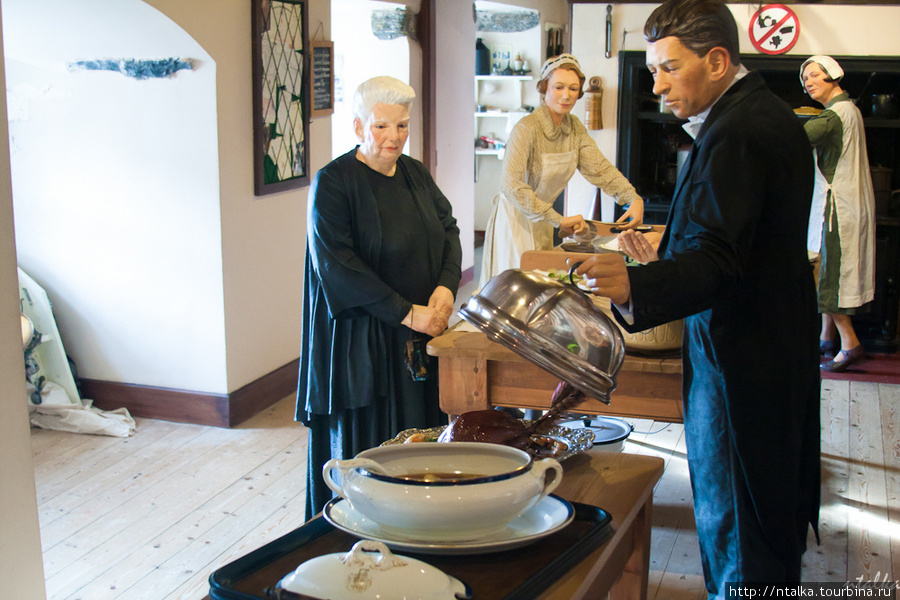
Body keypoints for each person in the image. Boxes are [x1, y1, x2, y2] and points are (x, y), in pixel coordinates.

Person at [573, 0, 820, 593]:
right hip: (768, 346)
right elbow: (741, 242)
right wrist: (664, 261)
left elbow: (720, 261)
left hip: (742, 360)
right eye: (653, 69)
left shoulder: (736, 132)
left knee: (739, 523)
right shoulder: (763, 114)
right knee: (764, 516)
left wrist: (635, 283)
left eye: (668, 68)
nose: (655, 85)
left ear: (716, 60)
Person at [295, 76, 462, 519]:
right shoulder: (333, 183)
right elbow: (339, 265)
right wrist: (409, 314)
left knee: (418, 439)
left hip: (421, 332)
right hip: (363, 342)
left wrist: (446, 288)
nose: (394, 138)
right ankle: (362, 532)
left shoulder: (414, 172)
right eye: (382, 127)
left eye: (402, 126)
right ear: (357, 127)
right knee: (373, 452)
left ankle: (419, 524)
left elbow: (449, 230)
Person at [479, 53, 644, 287]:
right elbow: (512, 186)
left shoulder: (575, 128)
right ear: (544, 88)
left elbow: (599, 169)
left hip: (545, 221)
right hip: (515, 221)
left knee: (541, 289)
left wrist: (631, 196)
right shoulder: (526, 129)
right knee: (515, 291)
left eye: (573, 88)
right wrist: (558, 219)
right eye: (558, 87)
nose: (566, 95)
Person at [800, 55, 876, 373]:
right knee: (830, 272)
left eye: (815, 75)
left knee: (829, 276)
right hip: (848, 203)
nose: (809, 82)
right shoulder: (849, 110)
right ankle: (826, 338)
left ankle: (850, 343)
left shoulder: (834, 116)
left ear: (833, 75)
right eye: (805, 79)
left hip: (838, 207)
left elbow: (797, 138)